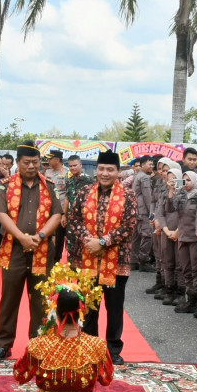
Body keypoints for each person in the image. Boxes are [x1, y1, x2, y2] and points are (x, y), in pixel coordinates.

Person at [11, 268, 115, 392]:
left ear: (54, 310)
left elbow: (19, 375)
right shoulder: (97, 346)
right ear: (82, 311)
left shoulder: (38, 345)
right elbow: (107, 379)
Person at [0, 143, 61, 360]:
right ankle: (4, 344)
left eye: (35, 162)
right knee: (9, 299)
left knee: (41, 298)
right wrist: (22, 237)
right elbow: (1, 214)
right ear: (18, 163)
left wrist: (40, 237)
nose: (31, 166)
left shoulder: (49, 185)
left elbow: (57, 215)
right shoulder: (5, 185)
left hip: (42, 249)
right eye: (26, 162)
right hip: (14, 250)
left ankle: (39, 344)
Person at [68, 150, 138, 365]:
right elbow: (74, 218)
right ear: (96, 170)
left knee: (114, 307)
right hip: (87, 257)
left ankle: (113, 348)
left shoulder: (128, 195)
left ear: (118, 171)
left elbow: (129, 224)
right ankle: (89, 345)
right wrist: (89, 240)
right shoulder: (84, 192)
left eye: (110, 169)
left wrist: (104, 242)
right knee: (89, 306)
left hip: (117, 261)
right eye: (101, 169)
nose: (105, 173)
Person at [169, 169, 197, 314]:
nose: (186, 183)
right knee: (185, 269)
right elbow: (171, 208)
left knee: (196, 270)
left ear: (195, 181)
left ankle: (194, 300)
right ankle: (190, 301)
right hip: (182, 236)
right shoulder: (181, 195)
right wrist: (173, 191)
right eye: (184, 180)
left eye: (188, 180)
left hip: (194, 238)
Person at [152, 158, 181, 303]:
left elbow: (187, 214)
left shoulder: (187, 193)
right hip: (166, 230)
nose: (171, 181)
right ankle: (168, 288)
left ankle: (180, 293)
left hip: (180, 232)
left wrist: (176, 230)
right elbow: (162, 211)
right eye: (169, 178)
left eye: (175, 179)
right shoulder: (164, 191)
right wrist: (164, 228)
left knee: (180, 264)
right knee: (166, 260)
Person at [63, 154, 94, 264]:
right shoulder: (69, 180)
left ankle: (85, 275)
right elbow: (67, 198)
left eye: (75, 165)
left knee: (84, 244)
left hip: (84, 219)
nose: (72, 168)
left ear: (80, 165)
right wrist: (64, 215)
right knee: (71, 246)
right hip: (71, 219)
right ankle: (72, 272)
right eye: (70, 166)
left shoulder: (89, 180)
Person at [131, 156, 156, 271]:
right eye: (149, 164)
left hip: (136, 210)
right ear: (142, 165)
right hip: (144, 211)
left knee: (135, 236)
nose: (152, 166)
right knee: (147, 235)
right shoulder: (145, 177)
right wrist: (152, 211)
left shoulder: (137, 175)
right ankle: (144, 261)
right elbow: (148, 196)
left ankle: (133, 261)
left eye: (152, 164)